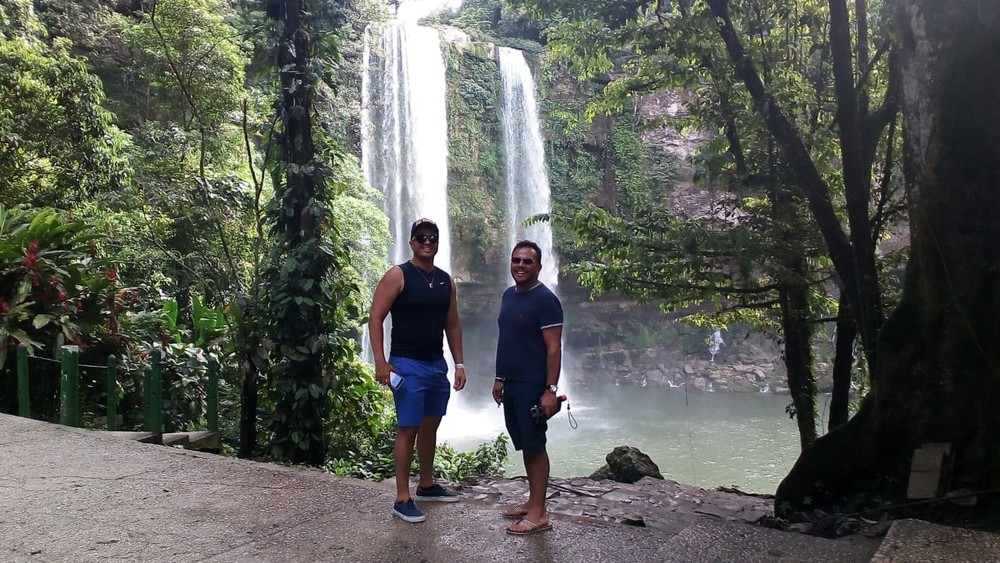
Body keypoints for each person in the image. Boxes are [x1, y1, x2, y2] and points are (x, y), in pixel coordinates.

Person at [368, 218, 467, 523]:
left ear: (438, 243)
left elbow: (452, 323)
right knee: (407, 428)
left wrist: (458, 363)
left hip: (436, 365)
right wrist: (381, 362)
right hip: (407, 365)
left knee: (430, 426)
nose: (427, 242)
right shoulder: (398, 275)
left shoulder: (445, 281)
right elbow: (375, 318)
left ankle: (426, 484)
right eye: (421, 237)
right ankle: (401, 498)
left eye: (432, 238)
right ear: (411, 242)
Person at [492, 240, 563, 535]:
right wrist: (500, 378)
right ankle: (533, 501)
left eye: (527, 262)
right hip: (512, 383)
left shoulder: (546, 300)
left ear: (538, 267)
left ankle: (539, 513)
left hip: (534, 384)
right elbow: (507, 339)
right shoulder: (509, 295)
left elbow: (553, 348)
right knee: (525, 443)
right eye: (516, 260)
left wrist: (550, 389)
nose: (520, 266)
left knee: (536, 445)